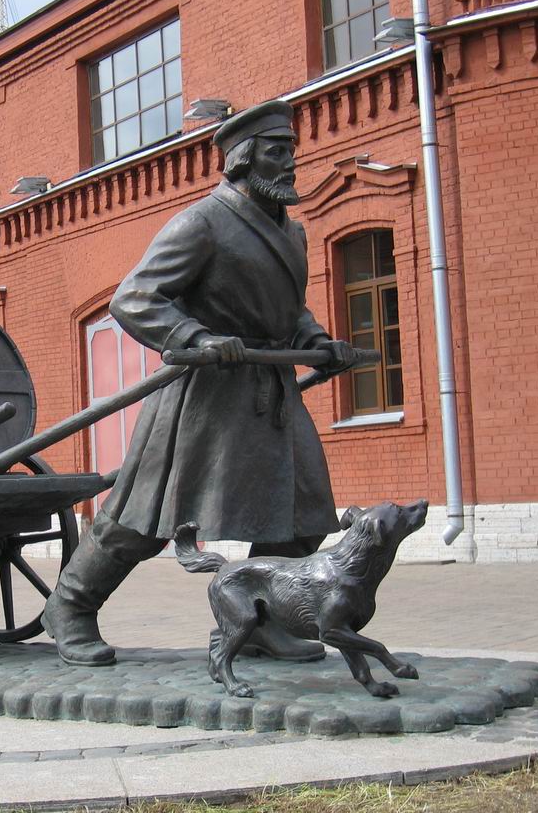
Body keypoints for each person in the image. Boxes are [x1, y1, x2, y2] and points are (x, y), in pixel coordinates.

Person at [43, 99, 357, 667]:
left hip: (269, 395)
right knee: (147, 521)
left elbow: (288, 313)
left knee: (301, 514)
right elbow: (134, 298)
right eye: (277, 152)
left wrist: (317, 341)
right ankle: (69, 605)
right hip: (201, 398)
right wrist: (195, 335)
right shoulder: (203, 222)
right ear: (242, 160)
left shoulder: (294, 233)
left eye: (291, 151)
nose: (290, 163)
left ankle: (260, 622)